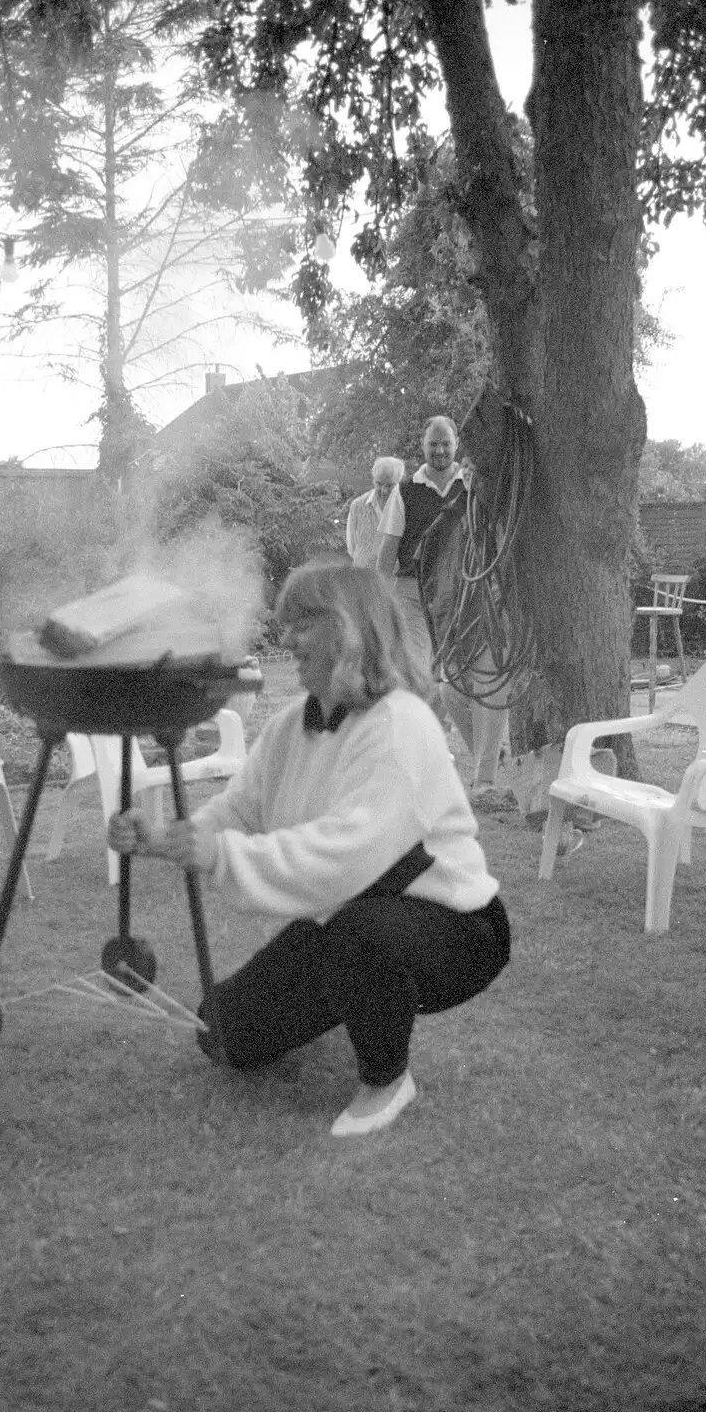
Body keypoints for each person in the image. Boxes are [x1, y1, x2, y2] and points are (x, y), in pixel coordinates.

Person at [108, 561, 510, 1139]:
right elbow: (240, 809)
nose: (287, 639)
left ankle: (386, 1080)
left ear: (348, 628)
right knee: (223, 1034)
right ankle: (357, 1000)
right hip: (347, 916)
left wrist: (220, 854)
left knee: (363, 934)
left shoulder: (403, 725)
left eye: (302, 623)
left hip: (454, 929)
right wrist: (165, 837)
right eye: (285, 623)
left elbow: (345, 853)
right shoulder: (291, 724)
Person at [376, 416, 510, 794]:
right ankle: (428, 761)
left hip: (462, 596)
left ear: (456, 445)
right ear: (423, 446)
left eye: (445, 443)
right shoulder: (406, 491)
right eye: (432, 444)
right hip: (413, 593)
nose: (439, 450)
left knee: (460, 683)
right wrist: (375, 601)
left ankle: (486, 768)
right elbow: (387, 551)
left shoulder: (470, 485)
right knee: (425, 677)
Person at [345, 456, 405, 569]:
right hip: (363, 578)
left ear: (399, 482)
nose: (384, 490)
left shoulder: (406, 507)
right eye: (379, 484)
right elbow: (352, 546)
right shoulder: (357, 505)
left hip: (394, 580)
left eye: (390, 485)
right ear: (373, 480)